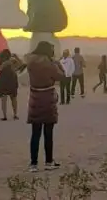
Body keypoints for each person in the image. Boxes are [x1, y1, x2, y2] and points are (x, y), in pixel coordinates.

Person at [26, 41, 65, 172]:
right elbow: (61, 76)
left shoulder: (31, 62)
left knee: (35, 133)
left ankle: (33, 163)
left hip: (34, 98)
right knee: (48, 133)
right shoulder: (50, 64)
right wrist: (57, 63)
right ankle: (49, 162)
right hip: (47, 97)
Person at [0, 49, 24, 121]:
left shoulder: (11, 61)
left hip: (5, 81)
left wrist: (16, 58)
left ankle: (5, 116)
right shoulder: (9, 61)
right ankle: (14, 115)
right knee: (13, 98)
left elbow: (21, 66)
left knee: (5, 99)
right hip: (11, 80)